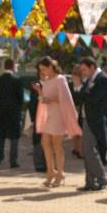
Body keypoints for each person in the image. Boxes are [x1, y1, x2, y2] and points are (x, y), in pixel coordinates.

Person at [32, 56, 81, 188]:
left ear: (50, 67)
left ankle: (60, 173)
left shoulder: (60, 79)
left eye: (43, 69)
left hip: (58, 114)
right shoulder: (46, 80)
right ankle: (50, 171)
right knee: (45, 142)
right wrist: (39, 91)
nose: (42, 72)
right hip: (49, 115)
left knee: (57, 145)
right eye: (40, 70)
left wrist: (50, 99)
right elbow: (43, 99)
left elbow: (64, 98)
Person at [78, 57, 107, 191]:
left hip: (95, 119)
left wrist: (84, 92)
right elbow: (81, 95)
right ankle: (90, 182)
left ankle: (102, 178)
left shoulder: (102, 79)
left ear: (92, 67)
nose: (83, 72)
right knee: (87, 150)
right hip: (87, 118)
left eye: (84, 69)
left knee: (90, 150)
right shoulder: (89, 80)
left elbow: (92, 98)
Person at [0, 59, 24, 168]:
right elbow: (20, 97)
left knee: (1, 134)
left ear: (4, 66)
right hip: (14, 111)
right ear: (12, 67)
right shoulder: (17, 80)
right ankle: (13, 160)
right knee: (14, 136)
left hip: (2, 110)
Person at [70, 64, 86, 159]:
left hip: (80, 110)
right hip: (72, 110)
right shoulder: (70, 85)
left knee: (79, 131)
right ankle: (76, 149)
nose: (75, 76)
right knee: (74, 131)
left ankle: (79, 151)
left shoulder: (83, 86)